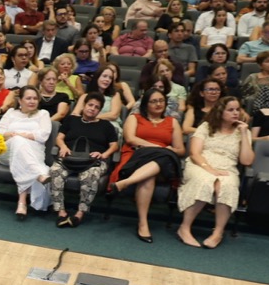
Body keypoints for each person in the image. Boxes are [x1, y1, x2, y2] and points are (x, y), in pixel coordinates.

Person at [108, 88, 186, 243]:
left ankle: (126, 183)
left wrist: (166, 151)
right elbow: (130, 139)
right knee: (150, 176)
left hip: (163, 163)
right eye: (153, 101)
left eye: (161, 100)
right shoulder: (135, 118)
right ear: (145, 104)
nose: (158, 104)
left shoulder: (172, 122)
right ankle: (143, 223)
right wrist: (159, 148)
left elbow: (181, 150)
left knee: (162, 159)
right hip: (137, 156)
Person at [176, 96, 254, 248]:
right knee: (205, 180)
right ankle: (184, 228)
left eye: (238, 109)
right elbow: (195, 153)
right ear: (220, 111)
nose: (236, 113)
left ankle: (218, 233)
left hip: (227, 168)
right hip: (200, 164)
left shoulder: (243, 131)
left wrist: (244, 133)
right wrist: (211, 170)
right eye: (230, 110)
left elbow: (246, 161)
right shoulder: (206, 126)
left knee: (227, 186)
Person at [48, 92, 119, 227]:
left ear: (99, 110)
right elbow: (59, 138)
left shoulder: (106, 125)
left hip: (94, 161)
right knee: (55, 171)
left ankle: (79, 214)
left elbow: (114, 145)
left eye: (96, 107)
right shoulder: (71, 120)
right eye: (90, 105)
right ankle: (61, 212)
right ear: (84, 105)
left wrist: (104, 154)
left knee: (90, 175)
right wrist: (63, 147)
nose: (92, 109)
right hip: (69, 158)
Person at [0, 85, 52, 217]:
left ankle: (22, 202)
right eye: (28, 98)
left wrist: (20, 135)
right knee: (17, 141)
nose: (32, 101)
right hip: (7, 152)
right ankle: (38, 174)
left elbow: (43, 135)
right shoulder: (11, 113)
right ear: (20, 100)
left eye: (35, 98)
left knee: (19, 142)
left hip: (34, 152)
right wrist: (14, 135)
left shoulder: (43, 114)